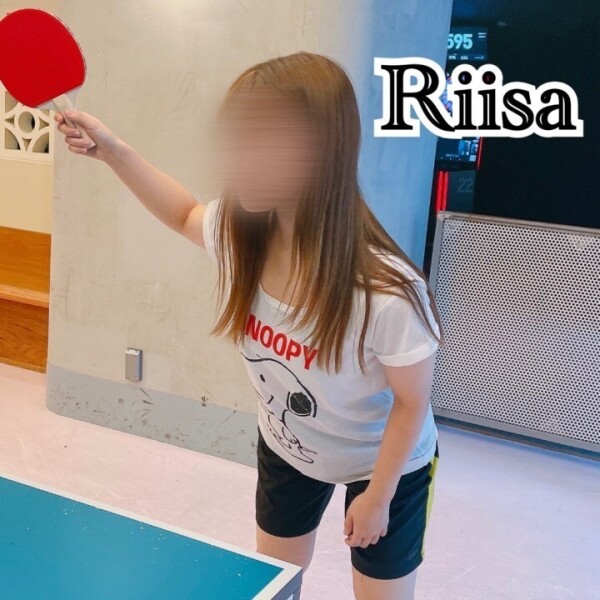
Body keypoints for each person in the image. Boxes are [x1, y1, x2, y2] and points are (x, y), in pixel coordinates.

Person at [55, 51, 443, 600]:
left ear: (321, 152)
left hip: (384, 464)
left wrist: (378, 497)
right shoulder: (243, 235)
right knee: (276, 585)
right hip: (291, 447)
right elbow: (183, 213)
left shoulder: (385, 292)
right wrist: (113, 151)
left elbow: (411, 402)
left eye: (262, 140)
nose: (239, 158)